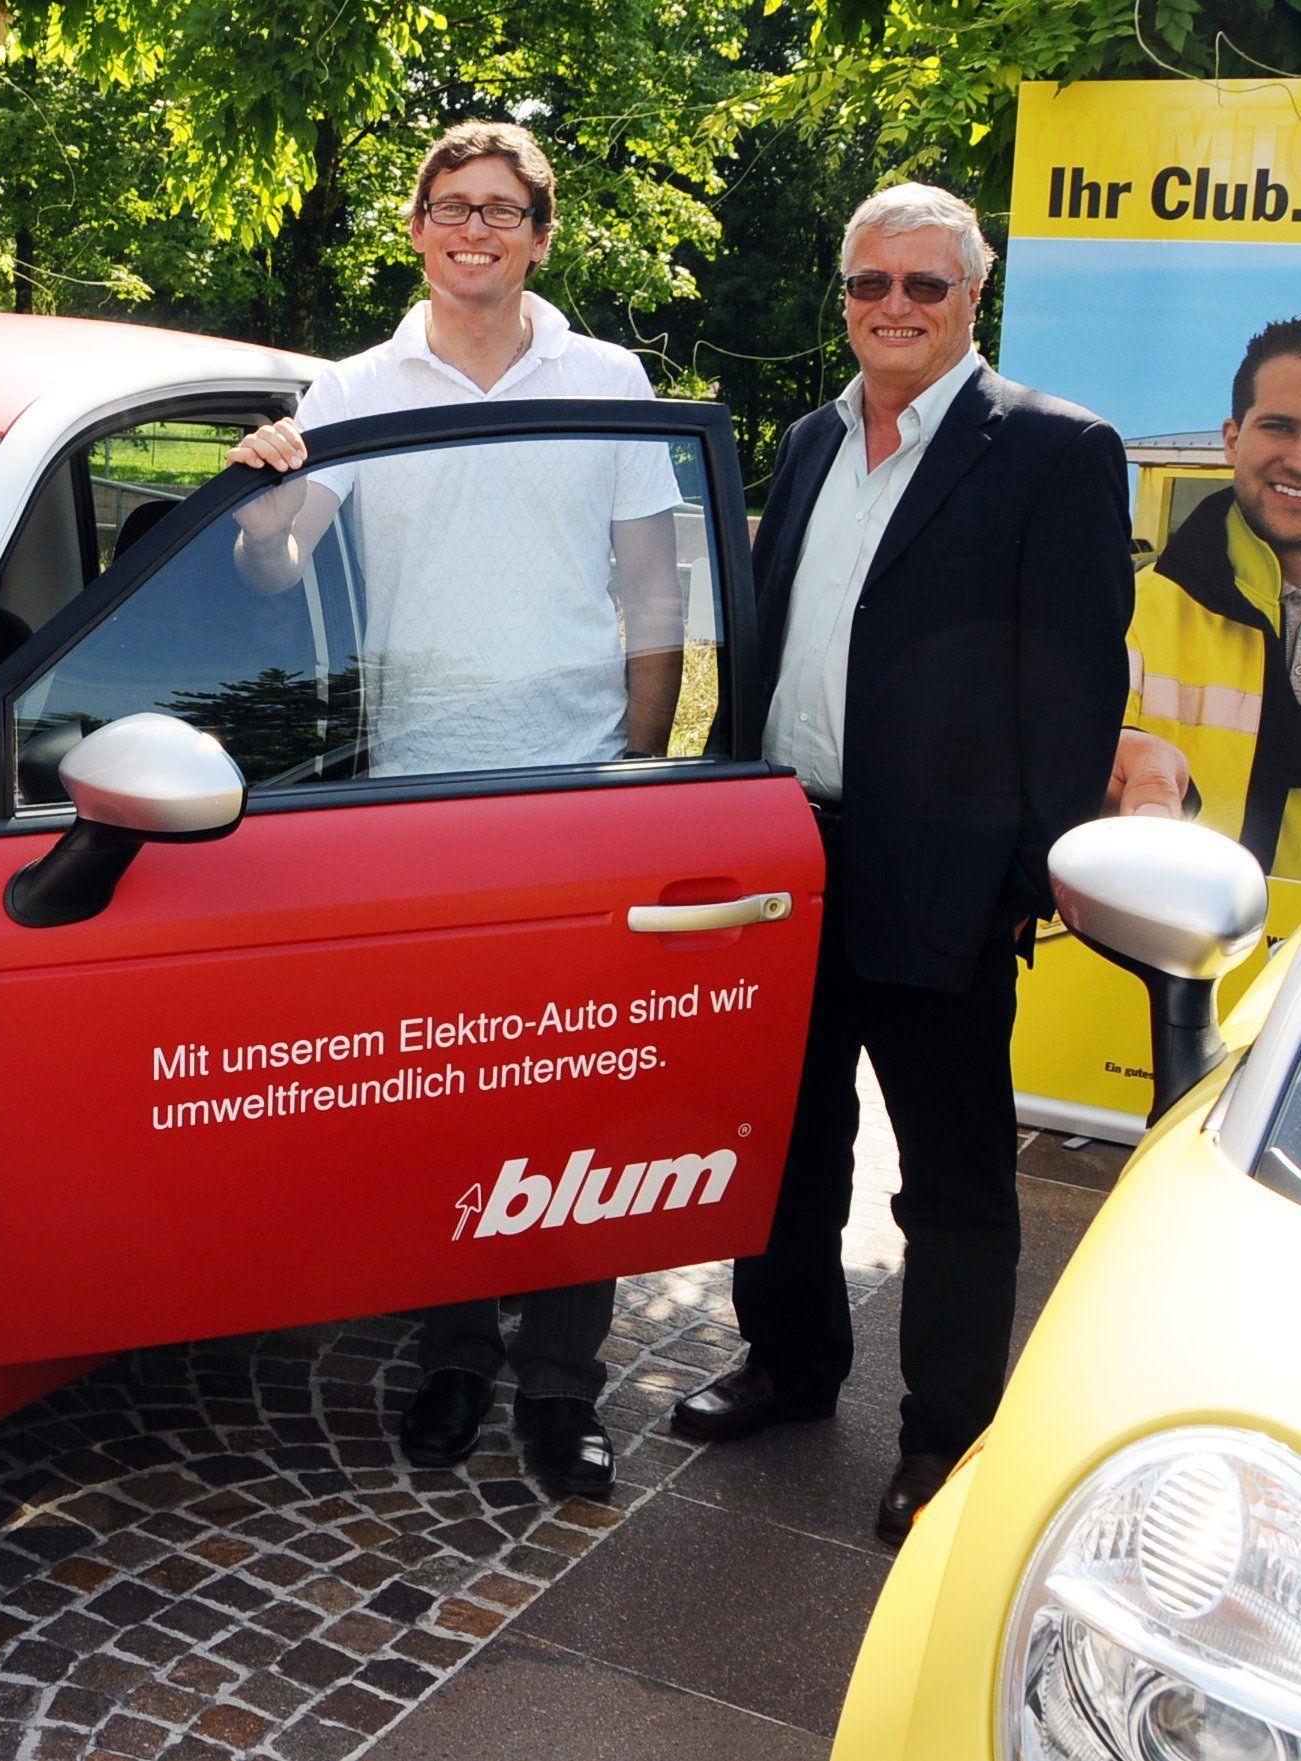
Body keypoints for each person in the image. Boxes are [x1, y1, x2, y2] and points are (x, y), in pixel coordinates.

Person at [223, 119, 685, 1499]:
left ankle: (560, 1382)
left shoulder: (606, 379)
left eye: (499, 210)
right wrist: (260, 503)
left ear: (539, 237)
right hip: (415, 793)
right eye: (451, 206)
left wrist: (642, 769)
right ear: (417, 228)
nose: (472, 228)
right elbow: (274, 572)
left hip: (578, 783)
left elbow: (652, 591)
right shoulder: (353, 388)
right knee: (443, 1089)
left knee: (578, 1091)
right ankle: (452, 1360)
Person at [667, 183, 1131, 1544]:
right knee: (787, 1143)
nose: (896, 306)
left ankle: (946, 1435)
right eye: (871, 282)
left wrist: (1025, 875)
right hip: (788, 857)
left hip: (943, 876)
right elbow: (767, 643)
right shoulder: (811, 438)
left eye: (926, 284)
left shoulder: (1053, 448)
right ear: (846, 296)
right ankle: (790, 1365)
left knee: (953, 1178)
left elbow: (1075, 683)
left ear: (973, 297)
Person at [1109, 320, 1301, 863]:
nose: (1298, 459)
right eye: (1280, 427)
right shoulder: (1128, 614)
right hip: (1170, 921)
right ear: (1232, 440)